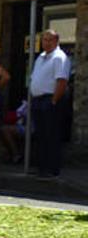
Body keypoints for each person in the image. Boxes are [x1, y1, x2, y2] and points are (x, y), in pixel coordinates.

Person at [27, 29, 69, 178]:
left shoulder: (59, 57)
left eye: (50, 40)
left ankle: (51, 169)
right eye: (44, 39)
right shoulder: (41, 57)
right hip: (38, 100)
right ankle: (41, 167)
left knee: (51, 135)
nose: (46, 43)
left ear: (56, 41)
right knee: (40, 135)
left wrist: (53, 101)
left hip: (50, 99)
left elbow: (62, 81)